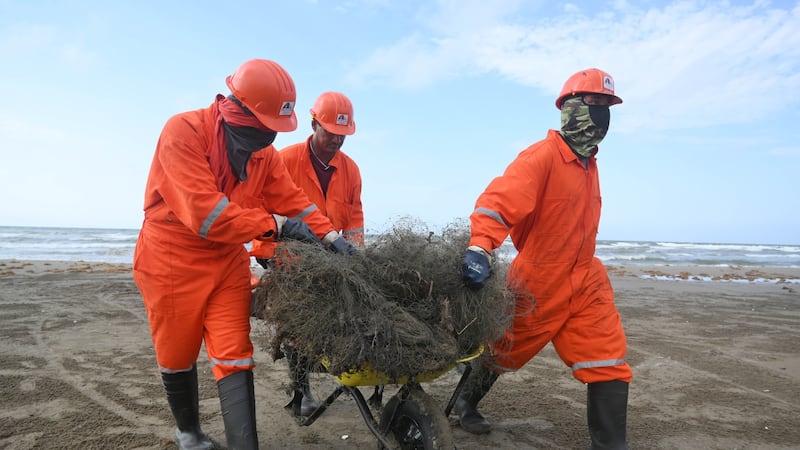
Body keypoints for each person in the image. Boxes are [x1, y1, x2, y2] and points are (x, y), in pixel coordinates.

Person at [133, 58, 355, 450]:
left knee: (235, 352)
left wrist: (332, 237)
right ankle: (189, 433)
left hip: (228, 262)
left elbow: (295, 201)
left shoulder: (263, 153)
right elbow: (207, 215)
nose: (271, 137)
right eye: (267, 127)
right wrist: (274, 226)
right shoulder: (184, 132)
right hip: (171, 259)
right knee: (177, 351)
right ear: (242, 110)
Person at [456, 68, 632, 449]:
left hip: (586, 278)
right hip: (538, 280)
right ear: (568, 108)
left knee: (608, 359)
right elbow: (497, 204)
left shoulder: (589, 164)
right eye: (593, 103)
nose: (601, 113)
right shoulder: (541, 157)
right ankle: (465, 402)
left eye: (607, 106)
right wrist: (479, 248)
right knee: (501, 351)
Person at [250, 91, 363, 417]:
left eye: (343, 135)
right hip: (286, 255)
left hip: (330, 257)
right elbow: (257, 212)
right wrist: (274, 240)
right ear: (314, 124)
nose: (337, 141)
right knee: (297, 322)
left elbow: (355, 218)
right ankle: (302, 390)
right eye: (330, 133)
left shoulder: (351, 171)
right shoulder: (284, 160)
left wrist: (357, 255)